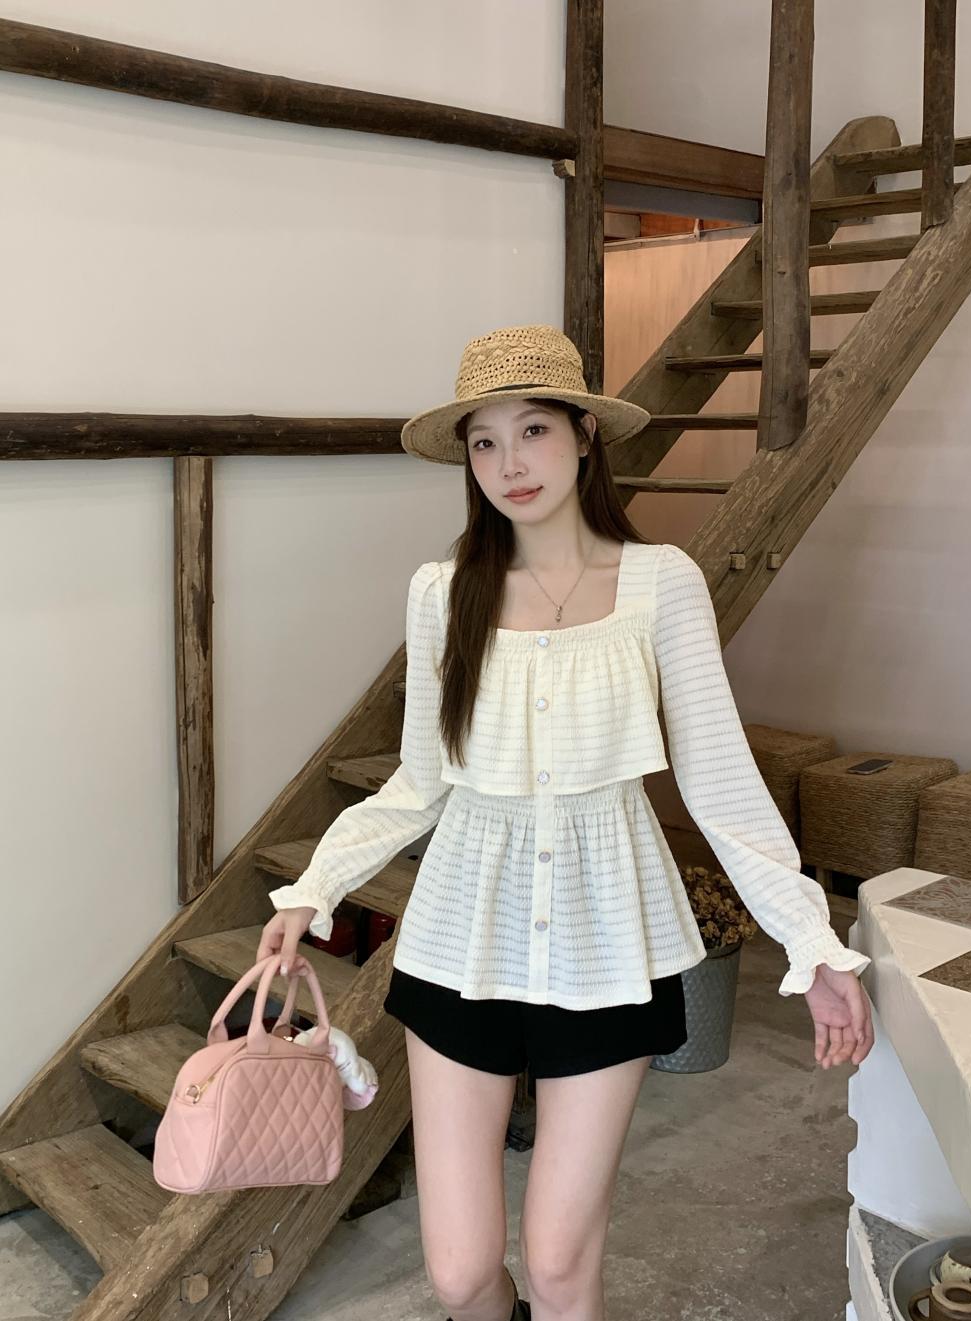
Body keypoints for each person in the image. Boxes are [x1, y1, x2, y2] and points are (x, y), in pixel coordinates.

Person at [256, 323, 875, 1321]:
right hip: (463, 940)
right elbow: (420, 782)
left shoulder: (661, 582)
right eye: (484, 441)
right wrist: (313, 889)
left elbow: (719, 780)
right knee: (461, 1274)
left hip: (606, 941)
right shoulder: (441, 593)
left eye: (533, 430)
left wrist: (813, 941)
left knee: (557, 1263)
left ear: (586, 435)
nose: (510, 463)